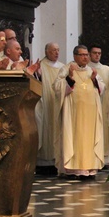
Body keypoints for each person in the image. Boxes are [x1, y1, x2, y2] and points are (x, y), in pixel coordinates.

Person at [55, 45, 105, 179]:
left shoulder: (91, 71)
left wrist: (94, 79)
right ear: (75, 56)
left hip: (91, 113)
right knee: (73, 137)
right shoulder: (66, 69)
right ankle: (72, 169)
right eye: (82, 55)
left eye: (86, 55)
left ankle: (89, 168)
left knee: (90, 138)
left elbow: (102, 88)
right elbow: (57, 88)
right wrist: (70, 77)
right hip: (73, 113)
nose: (85, 57)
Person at [88, 45, 109, 165]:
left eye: (99, 53)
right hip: (90, 108)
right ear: (89, 54)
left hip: (105, 107)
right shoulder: (84, 69)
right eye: (94, 53)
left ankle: (105, 158)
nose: (97, 55)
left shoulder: (107, 70)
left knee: (105, 131)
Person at [34, 42, 64, 173]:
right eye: (53, 50)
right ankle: (44, 162)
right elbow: (36, 82)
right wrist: (38, 75)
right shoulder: (41, 65)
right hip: (46, 102)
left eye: (58, 50)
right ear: (46, 52)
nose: (56, 53)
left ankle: (57, 159)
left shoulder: (63, 67)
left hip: (59, 103)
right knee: (46, 128)